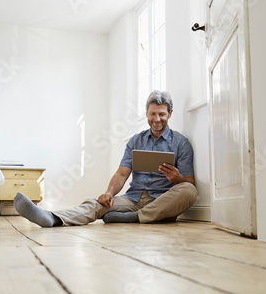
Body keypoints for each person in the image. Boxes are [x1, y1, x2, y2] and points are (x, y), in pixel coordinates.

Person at [14, 90, 197, 227]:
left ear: (170, 114)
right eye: (153, 114)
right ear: (147, 114)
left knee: (188, 191)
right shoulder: (136, 140)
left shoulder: (181, 143)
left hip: (162, 202)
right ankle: (53, 218)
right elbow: (122, 173)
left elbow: (189, 183)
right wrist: (109, 193)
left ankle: (135, 218)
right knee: (97, 202)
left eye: (162, 114)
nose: (157, 119)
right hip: (133, 199)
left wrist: (177, 178)